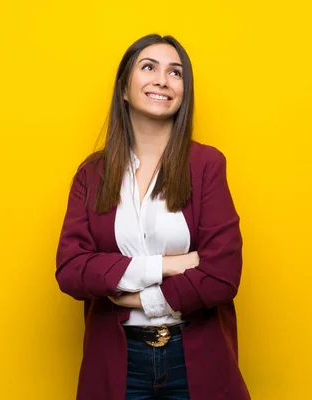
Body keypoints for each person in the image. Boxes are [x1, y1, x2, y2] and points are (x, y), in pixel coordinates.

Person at [55, 33, 251, 400]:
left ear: (183, 93)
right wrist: (168, 264)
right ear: (125, 89)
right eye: (149, 67)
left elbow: (223, 275)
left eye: (175, 73)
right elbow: (71, 271)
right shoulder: (91, 174)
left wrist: (139, 299)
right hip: (117, 361)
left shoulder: (207, 164)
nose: (162, 79)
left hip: (194, 360)